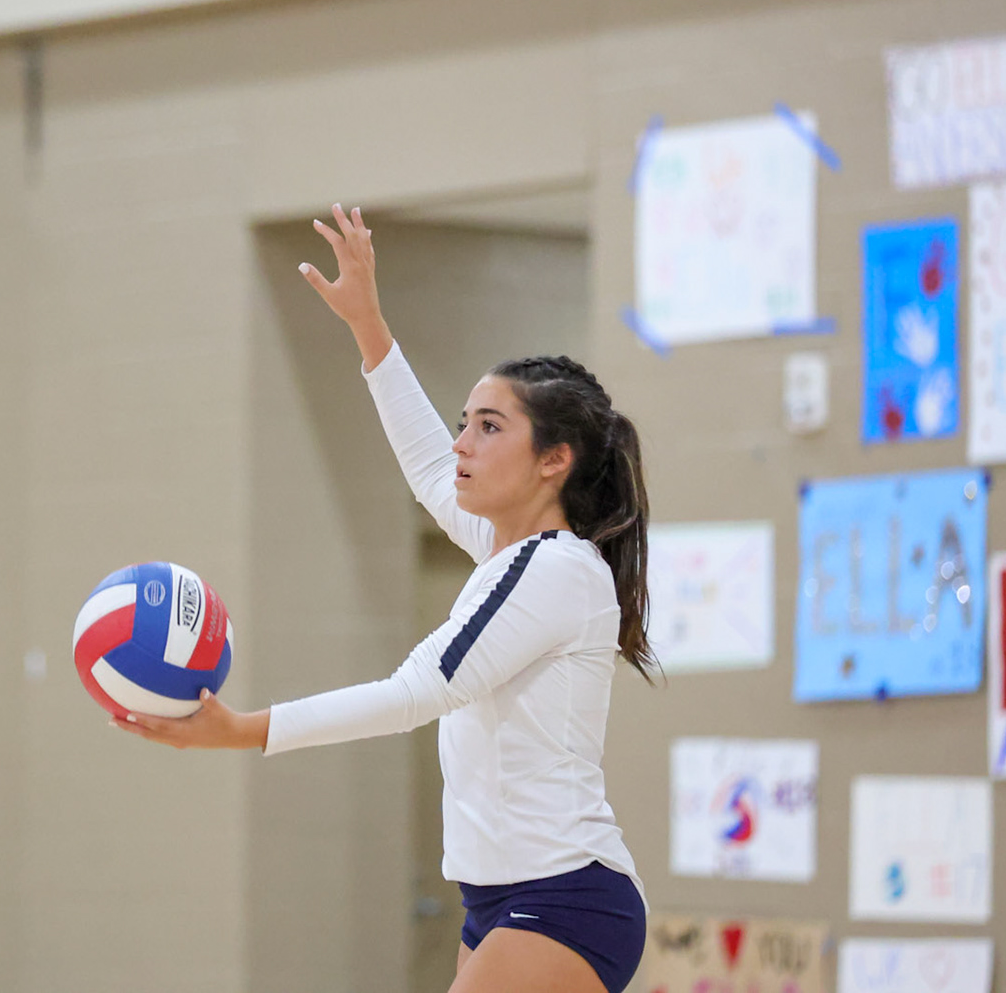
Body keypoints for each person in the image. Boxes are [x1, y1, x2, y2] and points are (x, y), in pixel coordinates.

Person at [112, 204, 656, 993]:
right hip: (494, 898)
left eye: (489, 427)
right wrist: (369, 327)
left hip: (564, 897)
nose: (462, 442)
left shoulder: (557, 571)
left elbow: (416, 692)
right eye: (463, 422)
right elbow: (432, 472)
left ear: (554, 460)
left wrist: (239, 733)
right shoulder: (512, 555)